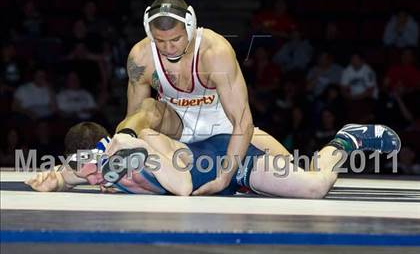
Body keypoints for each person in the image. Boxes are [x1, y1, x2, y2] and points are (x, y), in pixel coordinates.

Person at [26, 122, 401, 198]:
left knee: (315, 186)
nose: (92, 180)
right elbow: (66, 175)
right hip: (218, 178)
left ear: (106, 149)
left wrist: (136, 151)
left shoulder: (138, 146)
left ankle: (344, 141)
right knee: (300, 176)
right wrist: (52, 179)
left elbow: (184, 188)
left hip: (228, 162)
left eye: (90, 168)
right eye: (82, 169)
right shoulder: (92, 167)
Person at [115, 0, 254, 195]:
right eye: (160, 41)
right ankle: (112, 155)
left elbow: (243, 122)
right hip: (175, 125)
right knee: (146, 107)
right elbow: (134, 117)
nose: (168, 48)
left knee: (296, 179)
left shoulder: (215, 52)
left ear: (190, 27)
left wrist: (224, 178)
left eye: (176, 39)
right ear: (149, 31)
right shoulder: (141, 57)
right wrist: (124, 144)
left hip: (222, 126)